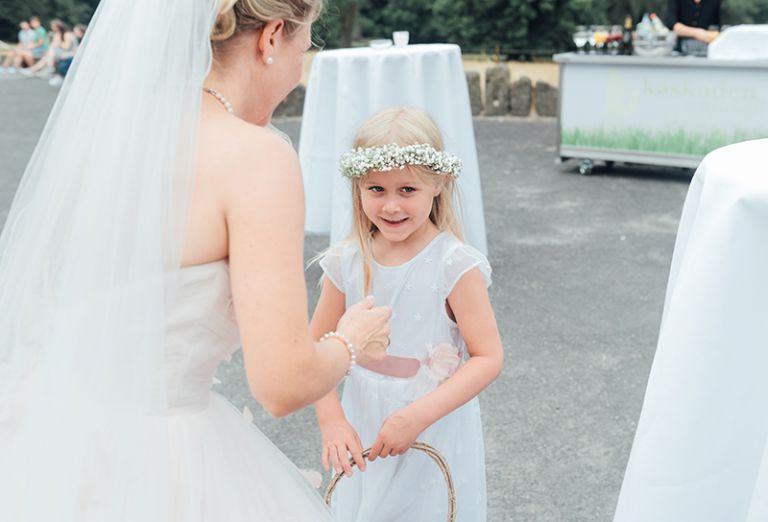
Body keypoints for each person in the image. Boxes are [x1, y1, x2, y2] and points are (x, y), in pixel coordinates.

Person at [0, 0, 391, 520]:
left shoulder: (104, 138)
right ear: (271, 37)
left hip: (47, 440)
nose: (303, 65)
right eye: (307, 43)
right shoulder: (257, 157)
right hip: (160, 461)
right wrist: (351, 339)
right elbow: (281, 383)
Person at [312, 107, 504, 521]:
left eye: (408, 190)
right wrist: (331, 419)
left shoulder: (454, 265)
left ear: (438, 184)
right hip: (361, 416)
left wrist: (417, 416)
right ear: (357, 187)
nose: (391, 205)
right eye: (376, 189)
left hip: (431, 418)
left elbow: (488, 357)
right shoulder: (347, 261)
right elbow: (314, 349)